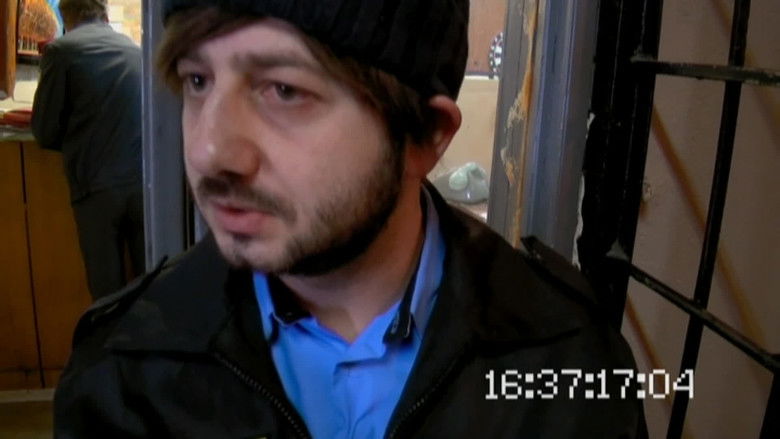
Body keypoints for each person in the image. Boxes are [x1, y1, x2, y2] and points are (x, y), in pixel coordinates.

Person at [54, 1, 647, 437]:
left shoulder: (566, 358)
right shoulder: (124, 371)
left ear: (426, 137)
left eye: (284, 90)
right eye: (198, 81)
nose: (210, 151)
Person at [31, 0, 144, 301]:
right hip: (141, 185)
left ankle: (111, 335)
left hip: (95, 189)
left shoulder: (61, 51)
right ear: (104, 13)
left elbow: (44, 131)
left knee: (106, 293)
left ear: (64, 15)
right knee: (151, 284)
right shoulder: (134, 49)